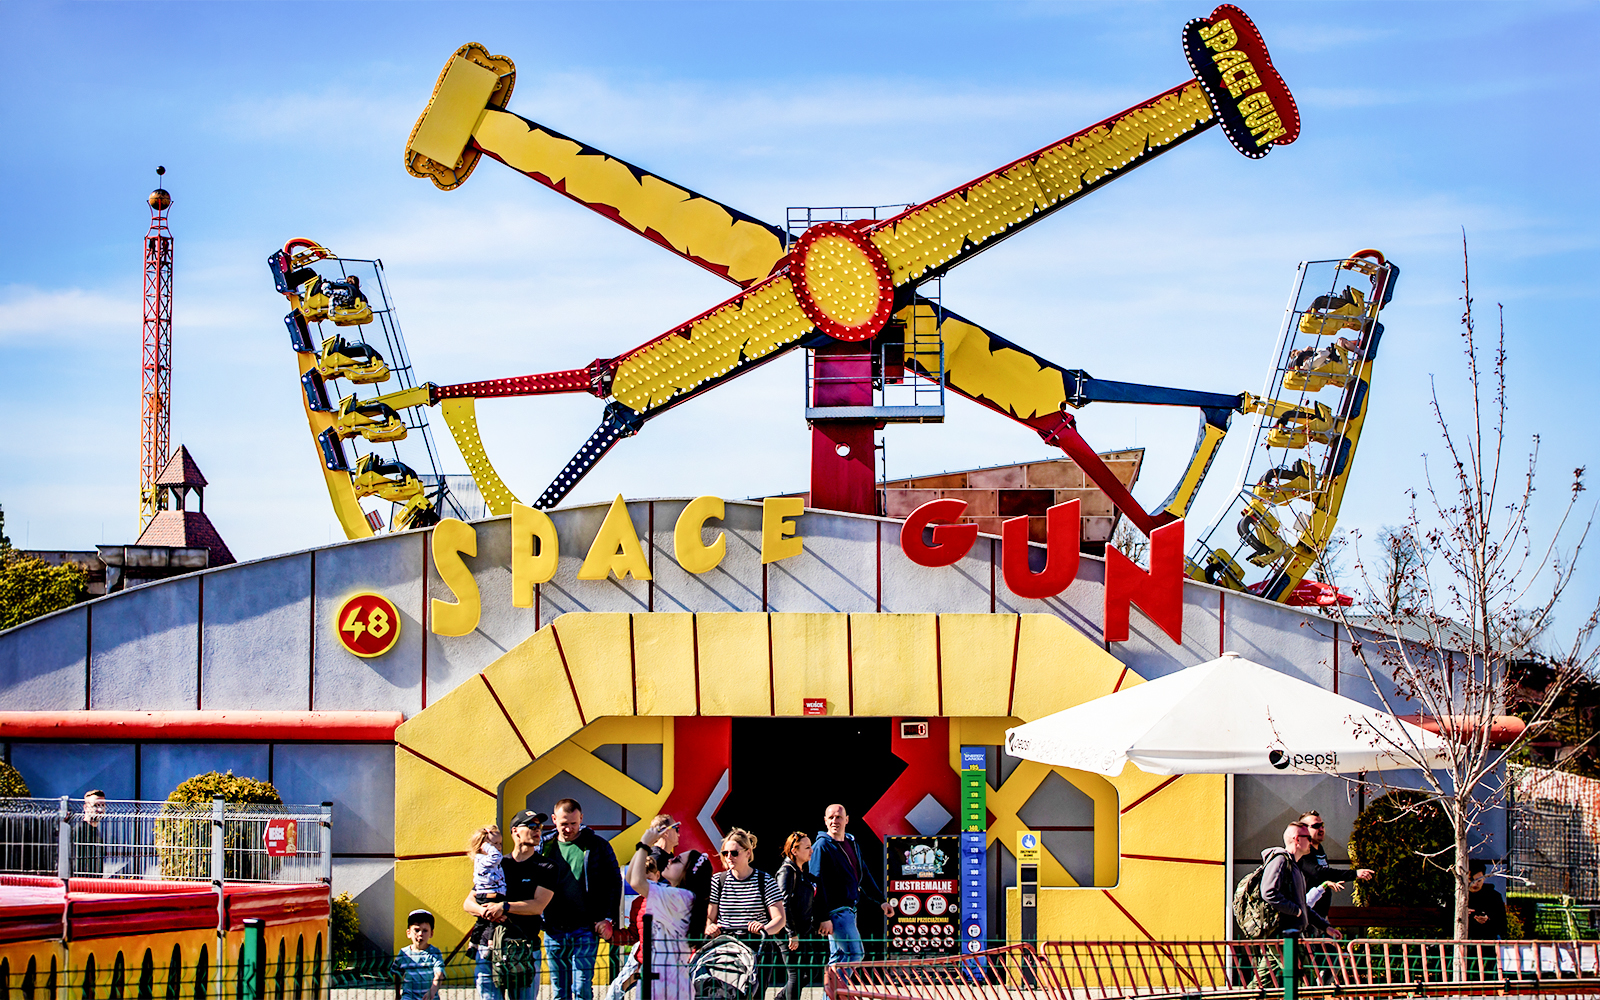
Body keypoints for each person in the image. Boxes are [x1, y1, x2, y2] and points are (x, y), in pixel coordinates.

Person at [464, 810, 559, 1000]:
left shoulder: (546, 867)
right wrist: (484, 910)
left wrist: (504, 907)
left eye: (539, 826)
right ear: (515, 831)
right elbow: (468, 903)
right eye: (531, 826)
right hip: (489, 947)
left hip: (523, 947)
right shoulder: (499, 864)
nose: (537, 830)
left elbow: (538, 906)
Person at [539, 799, 622, 1000]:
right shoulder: (544, 847)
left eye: (574, 823)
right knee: (560, 990)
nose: (569, 829)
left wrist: (608, 918)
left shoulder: (597, 845)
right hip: (553, 927)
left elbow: (614, 882)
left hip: (586, 926)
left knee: (581, 987)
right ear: (554, 820)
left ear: (582, 818)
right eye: (564, 824)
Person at [611, 819, 695, 1000]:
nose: (670, 862)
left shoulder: (672, 895)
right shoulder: (658, 892)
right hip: (650, 960)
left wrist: (644, 845)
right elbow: (633, 878)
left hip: (666, 965)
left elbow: (635, 881)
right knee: (617, 991)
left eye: (677, 862)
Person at [1255, 823, 1336, 989]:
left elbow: (1302, 906)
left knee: (1262, 982)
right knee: (1305, 982)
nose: (1311, 841)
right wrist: (1295, 910)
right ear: (1297, 839)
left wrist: (1325, 926)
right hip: (1284, 936)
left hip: (1289, 934)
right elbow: (1268, 892)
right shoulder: (1280, 860)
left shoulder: (1294, 866)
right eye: (1308, 838)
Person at [810, 804, 891, 965]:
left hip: (849, 910)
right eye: (831, 817)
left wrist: (881, 900)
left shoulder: (851, 843)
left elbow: (863, 874)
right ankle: (835, 982)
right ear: (825, 821)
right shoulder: (821, 847)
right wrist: (823, 917)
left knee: (839, 957)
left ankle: (831, 983)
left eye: (838, 817)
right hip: (836, 911)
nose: (834, 821)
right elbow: (815, 884)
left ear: (846, 820)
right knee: (854, 954)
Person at [706, 829, 786, 992]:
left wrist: (764, 929)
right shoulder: (718, 881)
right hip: (727, 947)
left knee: (753, 993)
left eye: (734, 853)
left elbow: (779, 919)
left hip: (756, 946)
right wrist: (709, 926)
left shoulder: (765, 881)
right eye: (725, 853)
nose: (729, 857)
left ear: (748, 853)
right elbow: (709, 916)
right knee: (725, 993)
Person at [646, 814, 713, 944]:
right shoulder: (655, 859)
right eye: (676, 828)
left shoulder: (666, 858)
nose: (679, 834)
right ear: (665, 832)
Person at [1296, 810, 1374, 919]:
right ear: (1304, 829)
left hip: (1321, 913)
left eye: (1322, 825)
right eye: (1316, 826)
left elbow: (1324, 874)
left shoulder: (1319, 849)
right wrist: (1354, 874)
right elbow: (1318, 872)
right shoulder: (1303, 852)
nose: (1321, 829)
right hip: (1307, 913)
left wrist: (1331, 881)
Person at [777, 832, 817, 1000]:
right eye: (807, 848)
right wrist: (791, 933)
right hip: (789, 932)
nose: (811, 851)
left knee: (811, 971)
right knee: (795, 974)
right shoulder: (787, 871)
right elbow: (783, 903)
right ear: (794, 850)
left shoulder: (801, 871)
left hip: (803, 930)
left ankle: (779, 999)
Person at [391, 909, 445, 1000]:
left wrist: (432, 991)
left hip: (430, 997)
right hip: (409, 997)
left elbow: (439, 974)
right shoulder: (404, 954)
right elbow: (397, 974)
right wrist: (397, 994)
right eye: (416, 930)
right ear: (408, 933)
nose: (420, 934)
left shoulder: (435, 953)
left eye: (425, 931)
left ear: (431, 933)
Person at [1467, 860, 1507, 939]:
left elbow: (1502, 925)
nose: (1475, 884)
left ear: (1484, 878)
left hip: (1488, 939)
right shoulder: (1456, 897)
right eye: (1471, 880)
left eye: (1478, 880)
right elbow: (1446, 924)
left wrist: (1488, 919)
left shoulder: (1494, 897)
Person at [471, 824, 508, 907]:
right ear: (482, 845)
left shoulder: (491, 861)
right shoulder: (482, 860)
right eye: (495, 843)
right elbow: (496, 856)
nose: (499, 846)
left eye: (500, 843)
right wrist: (486, 846)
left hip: (494, 893)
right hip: (488, 895)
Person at [74, 790, 107, 876]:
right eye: (95, 805)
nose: (100, 809)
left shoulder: (97, 833)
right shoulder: (79, 832)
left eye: (102, 805)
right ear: (86, 808)